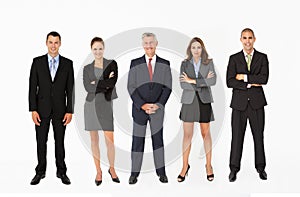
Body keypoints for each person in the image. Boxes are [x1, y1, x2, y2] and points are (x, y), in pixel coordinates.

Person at [29, 31, 74, 185]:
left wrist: (70, 110)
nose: (53, 45)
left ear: (60, 43)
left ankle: (62, 172)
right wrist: (33, 109)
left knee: (59, 142)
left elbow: (70, 89)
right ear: (46, 43)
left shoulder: (68, 64)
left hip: (61, 111)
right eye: (51, 42)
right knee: (41, 142)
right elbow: (32, 88)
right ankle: (40, 172)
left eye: (56, 42)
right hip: (41, 110)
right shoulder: (37, 62)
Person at [127, 32, 172, 184]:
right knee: (137, 142)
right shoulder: (135, 63)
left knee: (158, 141)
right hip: (140, 110)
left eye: (151, 42)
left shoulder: (165, 64)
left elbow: (168, 87)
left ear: (156, 43)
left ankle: (162, 173)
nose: (149, 45)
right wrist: (143, 105)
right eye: (146, 43)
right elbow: (131, 86)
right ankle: (134, 174)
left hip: (157, 110)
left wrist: (158, 105)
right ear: (142, 45)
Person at [226, 28, 269, 182]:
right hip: (239, 105)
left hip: (257, 104)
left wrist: (243, 77)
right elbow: (229, 81)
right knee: (237, 137)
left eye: (250, 38)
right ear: (240, 39)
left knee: (258, 136)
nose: (247, 41)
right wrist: (250, 83)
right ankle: (233, 169)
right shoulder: (234, 58)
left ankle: (261, 167)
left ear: (254, 39)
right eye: (244, 38)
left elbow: (264, 79)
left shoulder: (262, 58)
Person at [178, 37, 216, 182]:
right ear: (190, 49)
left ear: (202, 49)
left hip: (204, 101)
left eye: (199, 47)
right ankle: (184, 166)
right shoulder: (184, 64)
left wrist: (192, 80)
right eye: (193, 47)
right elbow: (183, 84)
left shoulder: (209, 63)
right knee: (187, 135)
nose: (196, 50)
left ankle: (208, 165)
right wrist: (202, 82)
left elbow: (212, 81)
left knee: (205, 133)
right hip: (188, 101)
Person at [83, 37, 120, 186]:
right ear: (91, 50)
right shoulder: (87, 68)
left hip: (105, 104)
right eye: (95, 49)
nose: (98, 51)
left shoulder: (112, 64)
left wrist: (96, 83)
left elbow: (112, 83)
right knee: (94, 141)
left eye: (100, 48)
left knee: (110, 141)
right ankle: (98, 171)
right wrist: (104, 83)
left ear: (104, 48)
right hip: (91, 106)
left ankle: (112, 168)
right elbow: (87, 87)